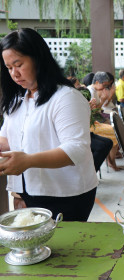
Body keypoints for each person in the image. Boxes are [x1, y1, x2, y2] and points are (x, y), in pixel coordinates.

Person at [0, 28, 98, 221]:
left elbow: (76, 149)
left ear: (38, 59)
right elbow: (8, 139)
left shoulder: (66, 98)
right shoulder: (17, 100)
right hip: (28, 191)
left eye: (18, 65)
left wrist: (27, 161)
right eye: (9, 68)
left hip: (65, 195)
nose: (14, 74)